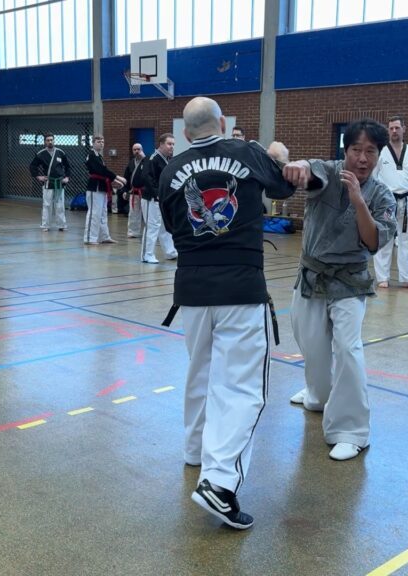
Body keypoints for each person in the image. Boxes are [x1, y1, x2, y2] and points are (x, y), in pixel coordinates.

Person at [159, 96, 295, 530]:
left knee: (201, 372)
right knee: (240, 388)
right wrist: (281, 156)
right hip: (239, 287)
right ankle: (219, 484)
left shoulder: (169, 171)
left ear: (184, 133)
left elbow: (170, 223)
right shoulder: (248, 152)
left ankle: (195, 451)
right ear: (223, 122)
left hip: (192, 289)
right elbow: (285, 187)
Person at [282, 119, 397, 462]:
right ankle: (318, 394)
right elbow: (309, 170)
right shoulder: (329, 173)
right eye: (356, 150)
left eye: (371, 152)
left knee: (348, 350)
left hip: (349, 281)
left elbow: (373, 240)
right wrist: (297, 167)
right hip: (312, 274)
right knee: (311, 343)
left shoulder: (382, 195)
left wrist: (358, 200)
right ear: (345, 151)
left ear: (380, 155)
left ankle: (351, 430)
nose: (362, 158)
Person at [373, 115, 408, 290]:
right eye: (391, 128)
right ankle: (382, 277)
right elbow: (374, 176)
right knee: (384, 237)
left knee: (407, 239)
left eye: (397, 128)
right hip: (386, 201)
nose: (394, 131)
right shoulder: (380, 151)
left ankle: (407, 278)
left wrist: (407, 190)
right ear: (388, 130)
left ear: (404, 129)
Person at [141, 133, 178, 263]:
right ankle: (147, 254)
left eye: (173, 144)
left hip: (162, 198)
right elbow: (147, 178)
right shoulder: (152, 159)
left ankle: (170, 251)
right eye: (169, 144)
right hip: (151, 198)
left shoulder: (167, 159)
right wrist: (156, 193)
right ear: (161, 144)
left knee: (164, 226)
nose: (171, 147)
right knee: (152, 226)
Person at [83, 135, 124, 245]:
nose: (101, 143)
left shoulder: (99, 157)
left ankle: (104, 236)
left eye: (102, 141)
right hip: (94, 188)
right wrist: (117, 177)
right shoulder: (91, 155)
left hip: (102, 187)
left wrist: (115, 183)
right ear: (93, 143)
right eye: (98, 141)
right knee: (94, 213)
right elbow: (101, 171)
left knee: (103, 213)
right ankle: (89, 238)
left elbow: (104, 172)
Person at [29, 133, 71, 232]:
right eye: (48, 140)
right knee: (47, 204)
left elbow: (68, 166)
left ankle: (62, 225)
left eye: (51, 140)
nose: (50, 142)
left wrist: (67, 177)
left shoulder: (60, 152)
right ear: (45, 142)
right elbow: (32, 166)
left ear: (54, 140)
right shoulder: (41, 153)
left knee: (60, 204)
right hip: (48, 182)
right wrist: (38, 176)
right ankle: (45, 225)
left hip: (59, 182)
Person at [122, 142, 146, 238]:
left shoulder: (147, 161)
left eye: (138, 149)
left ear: (142, 150)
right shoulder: (131, 163)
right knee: (133, 213)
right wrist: (124, 190)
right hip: (134, 192)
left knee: (148, 214)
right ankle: (133, 232)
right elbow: (126, 178)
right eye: (134, 150)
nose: (137, 151)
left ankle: (150, 233)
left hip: (145, 192)